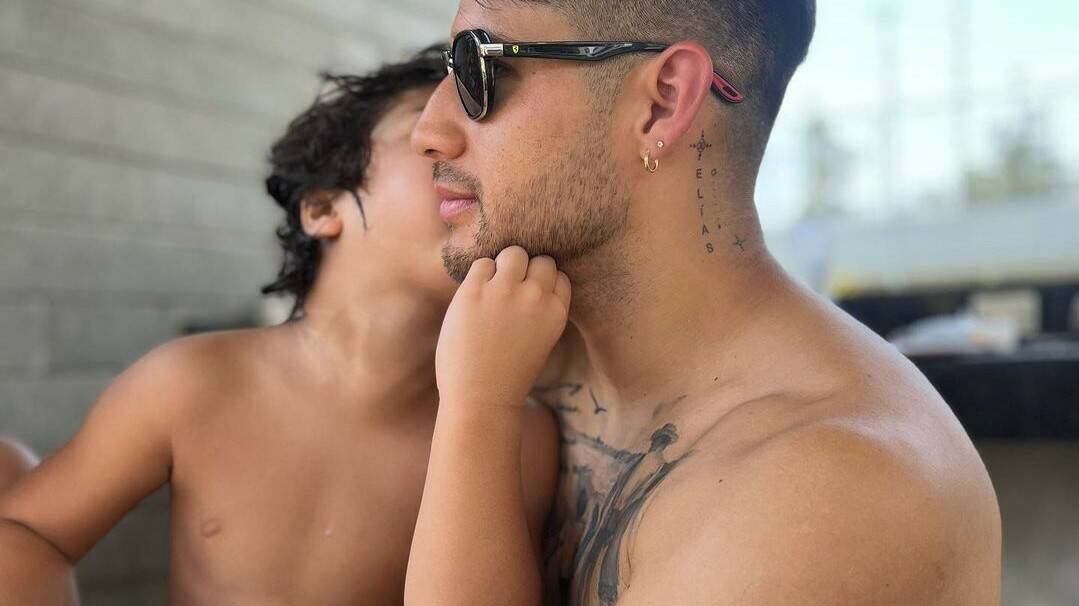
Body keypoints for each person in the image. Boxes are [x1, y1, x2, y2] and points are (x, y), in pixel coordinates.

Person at [405, 2, 1003, 605]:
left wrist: (476, 414)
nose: (426, 131)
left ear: (662, 103)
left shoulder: (819, 494)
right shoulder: (509, 350)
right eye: (447, 68)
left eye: (479, 68)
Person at [0, 46, 560, 605]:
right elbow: (29, 532)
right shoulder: (191, 383)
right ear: (323, 209)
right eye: (423, 121)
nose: (468, 154)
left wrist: (483, 405)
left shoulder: (513, 434)